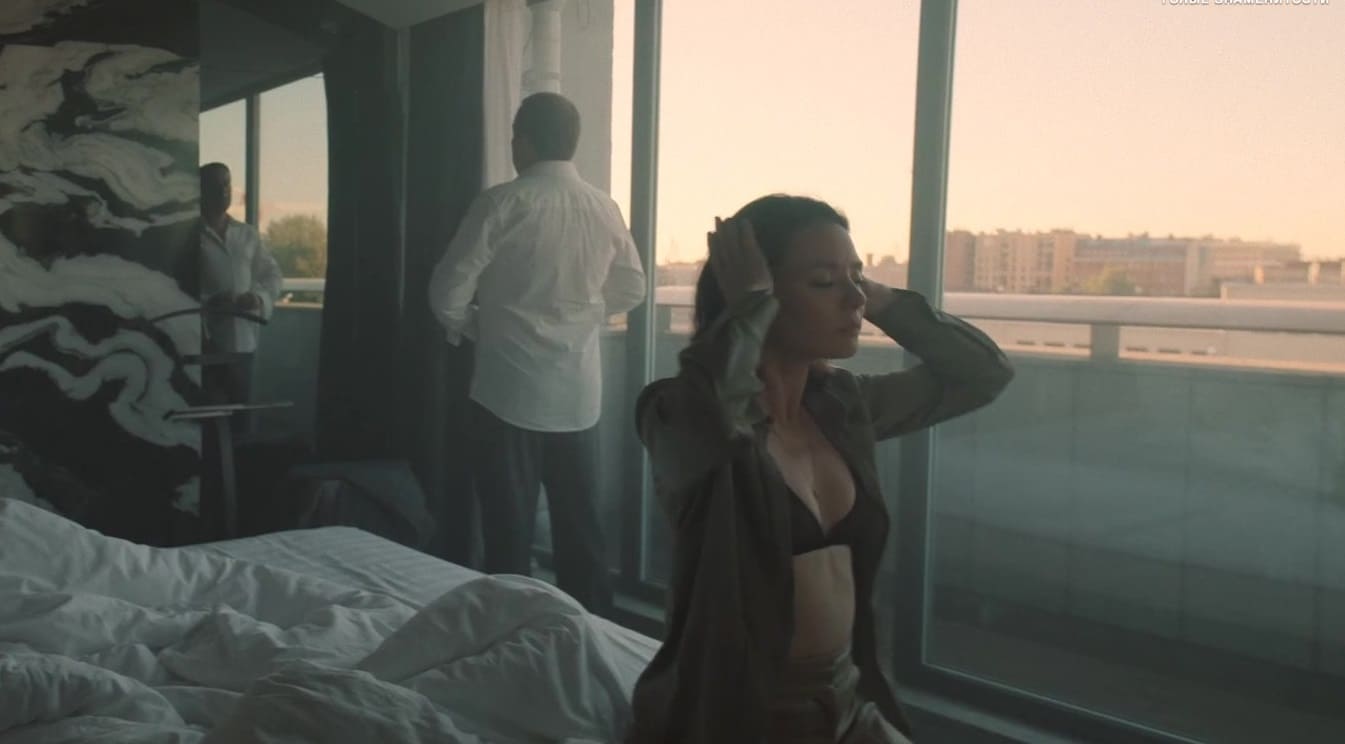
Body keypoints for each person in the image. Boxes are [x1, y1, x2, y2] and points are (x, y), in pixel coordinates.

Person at [625, 195, 1014, 743]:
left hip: (848, 704)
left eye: (858, 277)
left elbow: (983, 373)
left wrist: (876, 297)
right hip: (735, 718)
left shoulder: (843, 406)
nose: (853, 299)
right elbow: (715, 416)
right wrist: (750, 306)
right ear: (756, 297)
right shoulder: (673, 414)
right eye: (824, 282)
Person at [428, 92, 647, 616]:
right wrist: (584, 314)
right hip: (577, 397)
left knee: (508, 531)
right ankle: (593, 636)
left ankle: (511, 634)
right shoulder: (604, 207)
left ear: (522, 142)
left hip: (507, 391)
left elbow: (446, 292)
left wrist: (478, 328)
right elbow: (633, 287)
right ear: (573, 142)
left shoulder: (501, 203)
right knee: (582, 530)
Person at [198, 162, 283, 424]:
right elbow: (174, 285)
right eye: (216, 185)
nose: (224, 190)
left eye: (227, 184)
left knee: (240, 415)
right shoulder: (188, 235)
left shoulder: (247, 234)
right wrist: (208, 303)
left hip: (244, 343)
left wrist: (258, 298)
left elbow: (272, 275)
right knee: (207, 418)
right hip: (203, 342)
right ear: (201, 190)